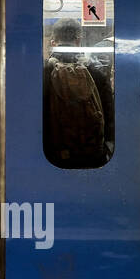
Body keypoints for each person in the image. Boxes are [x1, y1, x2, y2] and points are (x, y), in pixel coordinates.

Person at [43, 17, 112, 167]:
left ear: (53, 42)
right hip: (92, 157)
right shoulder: (97, 72)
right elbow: (110, 118)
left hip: (54, 158)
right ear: (79, 41)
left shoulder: (43, 73)